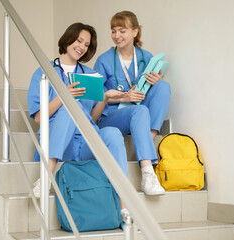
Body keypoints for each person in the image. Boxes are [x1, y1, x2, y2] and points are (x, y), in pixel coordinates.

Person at [27, 23, 130, 220]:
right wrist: (64, 96)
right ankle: (45, 177)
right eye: (78, 40)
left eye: (86, 44)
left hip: (84, 141)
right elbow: (40, 118)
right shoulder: (43, 72)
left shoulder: (91, 75)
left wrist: (104, 98)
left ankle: (125, 208)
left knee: (113, 133)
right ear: (68, 39)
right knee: (69, 110)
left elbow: (92, 118)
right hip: (57, 143)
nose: (81, 46)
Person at [94, 11, 171, 196]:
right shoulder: (103, 60)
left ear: (135, 31)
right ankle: (147, 173)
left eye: (122, 30)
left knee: (163, 86)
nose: (117, 36)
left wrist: (156, 80)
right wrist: (123, 97)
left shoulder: (146, 57)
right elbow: (95, 98)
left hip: (139, 114)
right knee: (140, 111)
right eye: (113, 31)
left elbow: (149, 89)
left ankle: (147, 138)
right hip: (111, 117)